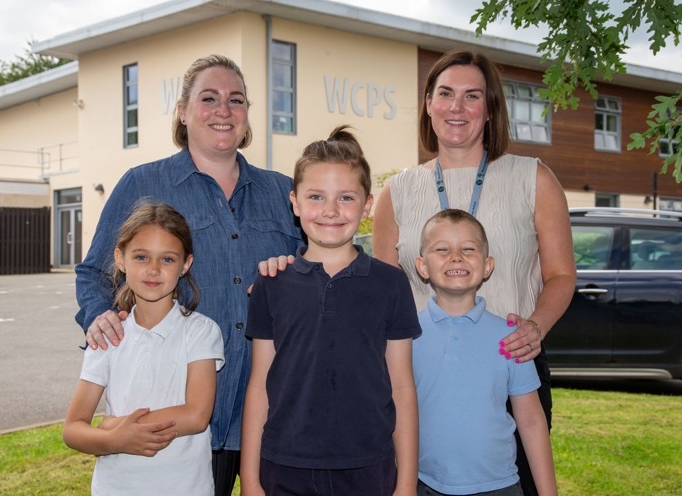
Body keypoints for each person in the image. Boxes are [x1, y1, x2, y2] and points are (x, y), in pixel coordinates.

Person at [74, 54, 304, 496]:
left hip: (272, 410)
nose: (223, 110)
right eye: (209, 98)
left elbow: (314, 268)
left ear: (247, 114)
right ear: (183, 111)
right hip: (181, 426)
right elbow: (93, 271)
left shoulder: (280, 191)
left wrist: (294, 273)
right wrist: (97, 315)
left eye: (236, 100)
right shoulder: (143, 183)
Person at [372, 49, 575, 495]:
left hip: (510, 361)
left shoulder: (534, 178)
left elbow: (561, 275)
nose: (456, 107)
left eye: (472, 96)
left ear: (490, 108)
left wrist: (536, 327)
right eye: (445, 93)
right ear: (428, 103)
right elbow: (380, 291)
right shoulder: (397, 191)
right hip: (419, 372)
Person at [241, 125, 421, 496]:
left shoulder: (391, 284)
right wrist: (251, 479)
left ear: (367, 205)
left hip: (369, 467)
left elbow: (402, 387)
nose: (330, 211)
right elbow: (259, 385)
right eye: (316, 197)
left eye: (346, 198)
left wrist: (406, 483)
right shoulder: (270, 283)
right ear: (294, 202)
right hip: (283, 467)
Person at [64, 202, 225, 495]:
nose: (153, 270)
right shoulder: (107, 335)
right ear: (120, 259)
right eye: (141, 257)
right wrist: (116, 439)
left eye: (167, 259)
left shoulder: (200, 331)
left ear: (185, 264)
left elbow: (196, 415)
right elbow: (73, 428)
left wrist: (115, 424)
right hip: (115, 488)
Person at [413, 209, 557, 496]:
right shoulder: (406, 335)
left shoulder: (511, 336)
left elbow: (531, 420)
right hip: (423, 484)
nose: (456, 257)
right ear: (423, 266)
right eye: (442, 249)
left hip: (499, 487)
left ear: (487, 266)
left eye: (468, 249)